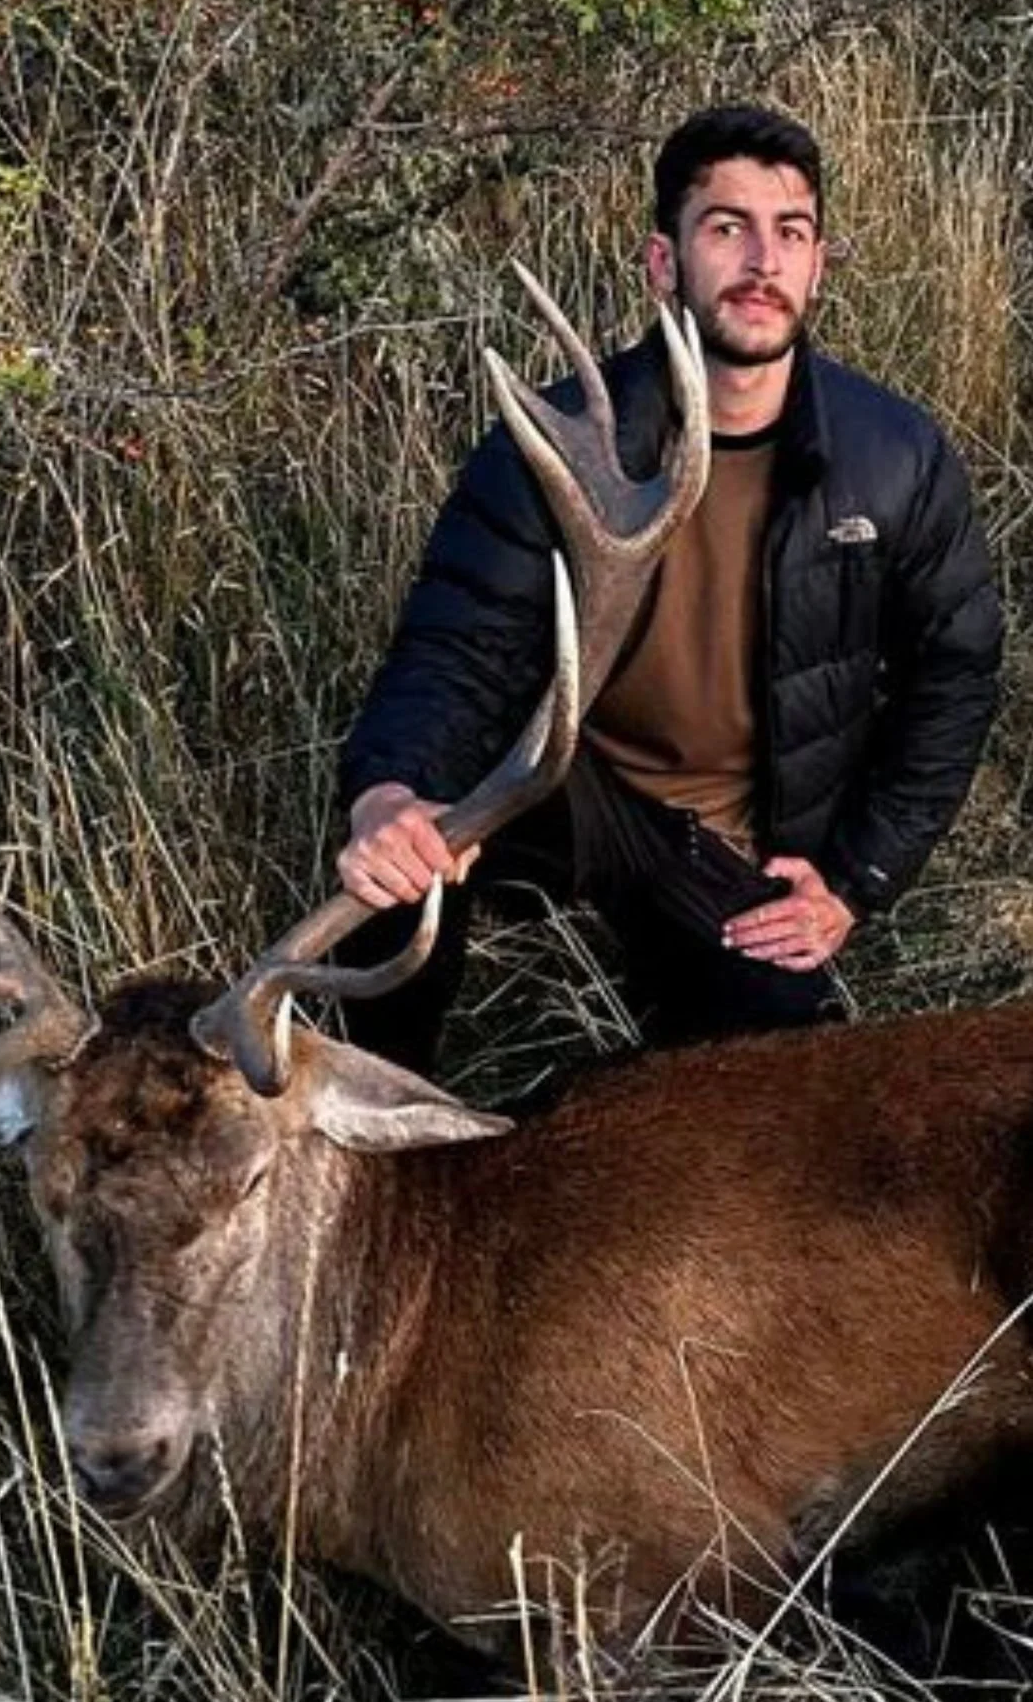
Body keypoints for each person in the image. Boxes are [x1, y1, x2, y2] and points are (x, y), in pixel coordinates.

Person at [337, 105, 1002, 1067]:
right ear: (664, 263)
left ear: (819, 265)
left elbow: (956, 677)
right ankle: (382, 1130)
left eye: (793, 233)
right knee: (398, 880)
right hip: (563, 791)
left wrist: (853, 880)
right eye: (727, 228)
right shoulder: (556, 445)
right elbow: (457, 651)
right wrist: (389, 796)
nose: (763, 262)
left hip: (727, 841)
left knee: (777, 1062)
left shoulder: (895, 457)